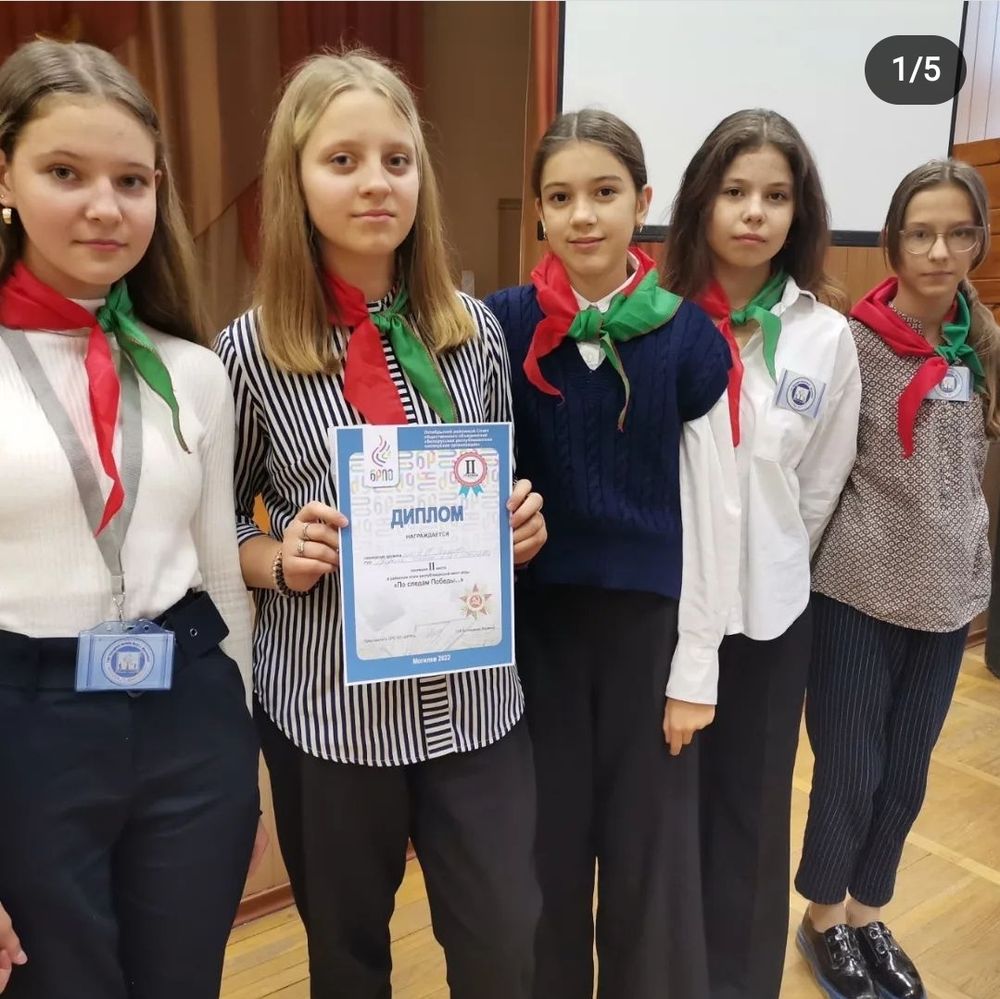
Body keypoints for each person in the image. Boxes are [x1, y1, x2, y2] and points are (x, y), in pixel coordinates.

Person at [215, 49, 546, 999]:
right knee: (348, 958)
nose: (376, 183)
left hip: (476, 707)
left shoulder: (474, 331)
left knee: (503, 944)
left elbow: (498, 485)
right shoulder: (250, 352)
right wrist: (278, 556)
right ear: (295, 179)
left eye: (397, 160)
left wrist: (518, 527)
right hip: (331, 716)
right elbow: (218, 529)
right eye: (343, 160)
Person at [0, 39, 260, 999]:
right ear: (5, 177)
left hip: (189, 715)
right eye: (65, 173)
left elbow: (220, 574)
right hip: (26, 729)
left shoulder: (193, 369)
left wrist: (238, 747)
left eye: (133, 180)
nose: (106, 207)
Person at [485, 108, 739, 999]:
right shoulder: (498, 326)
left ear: (643, 201)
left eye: (604, 192)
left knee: (648, 862)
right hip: (537, 634)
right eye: (560, 198)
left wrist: (696, 665)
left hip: (649, 637)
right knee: (543, 857)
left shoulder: (689, 337)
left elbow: (715, 513)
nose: (583, 215)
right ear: (539, 212)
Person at [664, 108, 861, 999]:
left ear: (799, 211)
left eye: (775, 196)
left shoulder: (825, 336)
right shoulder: (655, 318)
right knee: (664, 823)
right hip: (666, 618)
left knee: (750, 824)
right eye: (735, 191)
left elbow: (818, 488)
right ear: (700, 202)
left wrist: (765, 564)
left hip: (772, 622)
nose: (753, 212)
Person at [797, 158, 1000, 999]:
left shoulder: (984, 344)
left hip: (948, 595)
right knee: (850, 768)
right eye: (921, 233)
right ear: (892, 240)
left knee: (907, 771)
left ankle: (867, 911)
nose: (939, 251)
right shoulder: (853, 344)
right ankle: (821, 918)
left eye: (958, 233)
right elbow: (819, 471)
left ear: (979, 240)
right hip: (858, 589)